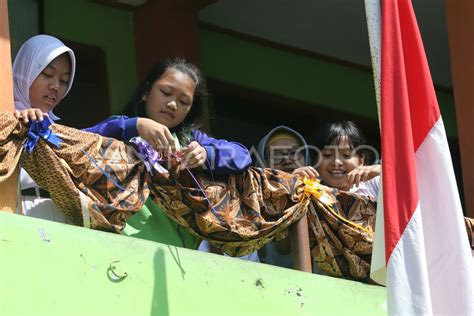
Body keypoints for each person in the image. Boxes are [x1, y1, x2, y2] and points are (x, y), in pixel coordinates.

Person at [85, 58, 252, 249]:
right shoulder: (120, 128)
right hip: (119, 242)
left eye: (184, 102)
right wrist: (135, 125)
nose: (173, 104)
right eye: (165, 92)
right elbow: (77, 140)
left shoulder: (190, 140)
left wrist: (207, 154)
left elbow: (243, 155)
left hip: (177, 253)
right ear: (146, 92)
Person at [13, 34, 76, 222]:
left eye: (64, 81)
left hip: (60, 220)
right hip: (20, 215)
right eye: (47, 74)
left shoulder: (58, 131)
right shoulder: (7, 122)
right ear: (26, 71)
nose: (56, 86)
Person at [256, 125, 314, 268]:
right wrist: (287, 189)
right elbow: (282, 248)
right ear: (263, 163)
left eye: (295, 153)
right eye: (276, 155)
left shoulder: (322, 198)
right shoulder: (250, 203)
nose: (288, 160)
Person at [295, 121, 380, 197]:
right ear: (316, 160)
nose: (336, 162)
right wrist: (291, 182)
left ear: (361, 160)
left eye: (346, 155)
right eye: (327, 155)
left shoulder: (376, 184)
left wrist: (382, 171)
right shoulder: (304, 188)